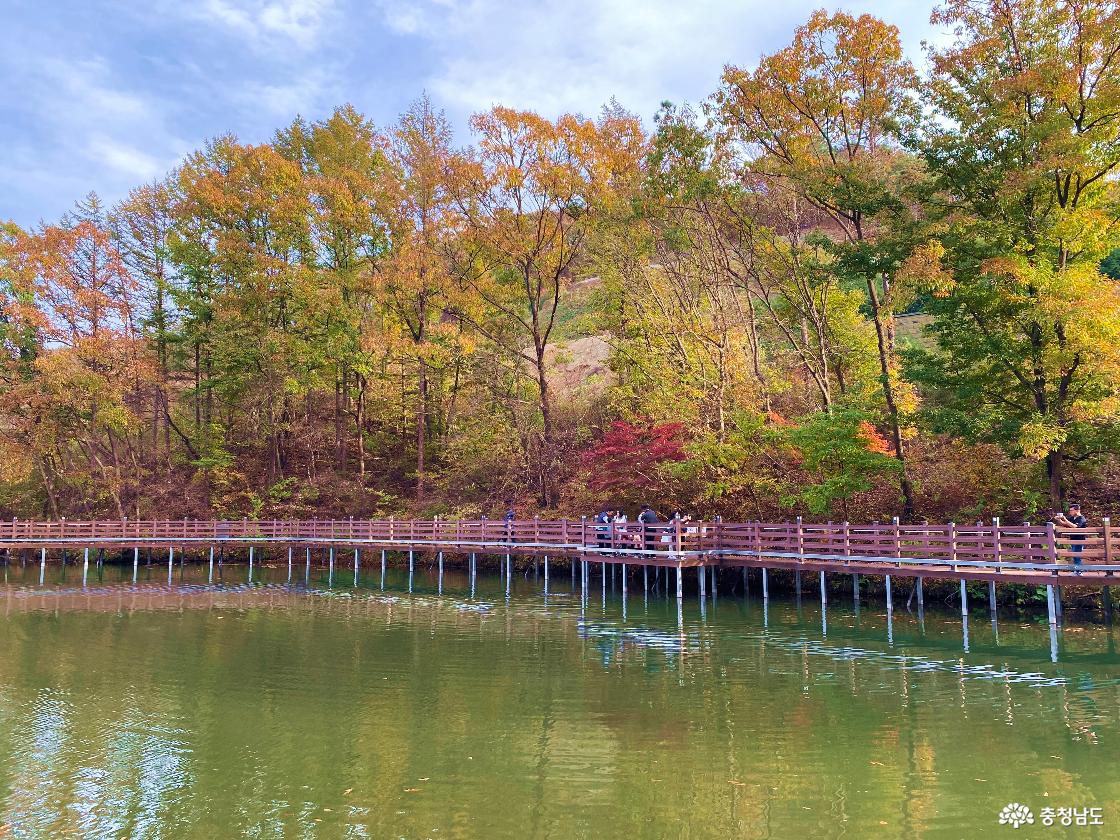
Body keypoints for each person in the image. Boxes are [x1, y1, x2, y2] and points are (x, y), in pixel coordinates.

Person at [1054, 503, 1089, 573]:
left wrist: (1065, 519)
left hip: (1079, 540)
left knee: (1077, 555)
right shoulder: (1072, 518)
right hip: (1073, 539)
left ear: (1077, 510)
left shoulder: (1081, 518)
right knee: (1074, 555)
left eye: (1071, 510)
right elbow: (1065, 524)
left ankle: (1079, 570)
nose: (1070, 512)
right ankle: (1077, 570)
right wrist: (1059, 519)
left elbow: (1074, 526)